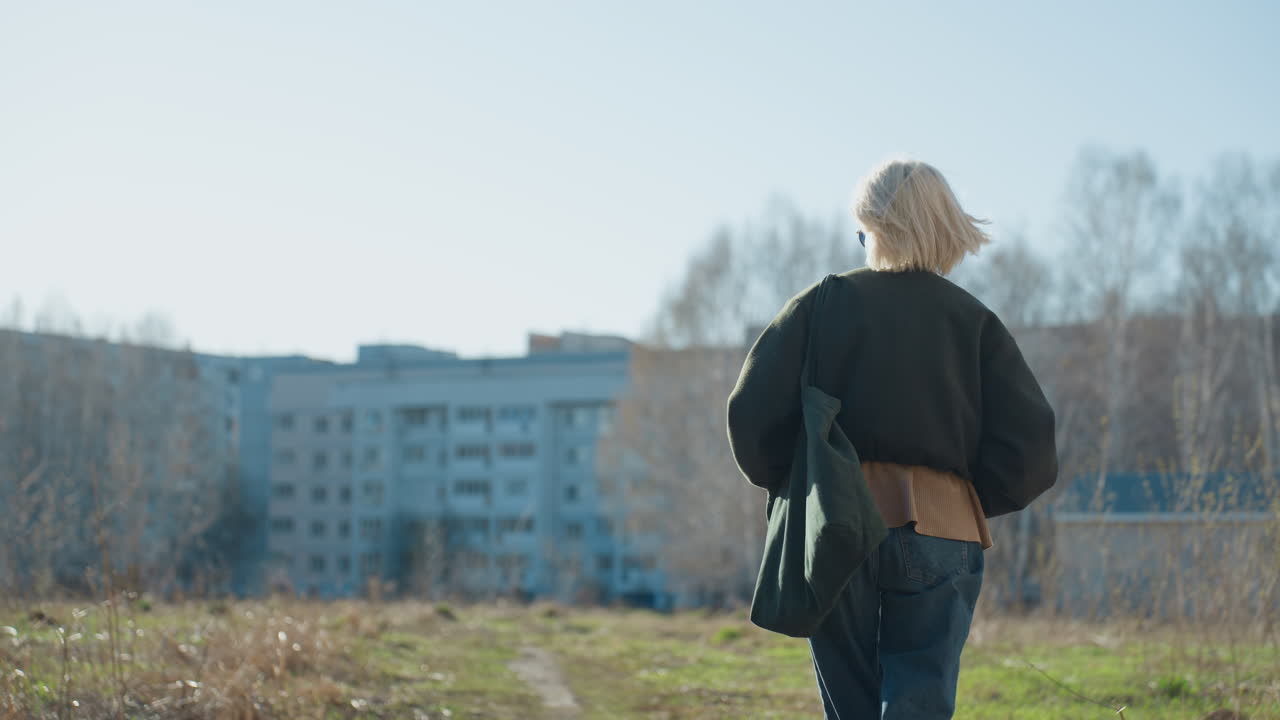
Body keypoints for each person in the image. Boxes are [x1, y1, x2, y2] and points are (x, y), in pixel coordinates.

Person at [726, 158, 1058, 719]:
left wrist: (799, 482)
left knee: (849, 703)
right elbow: (1030, 452)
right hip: (943, 526)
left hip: (832, 519)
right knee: (920, 700)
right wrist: (965, 497)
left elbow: (752, 416)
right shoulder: (975, 322)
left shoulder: (821, 303)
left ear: (872, 228)